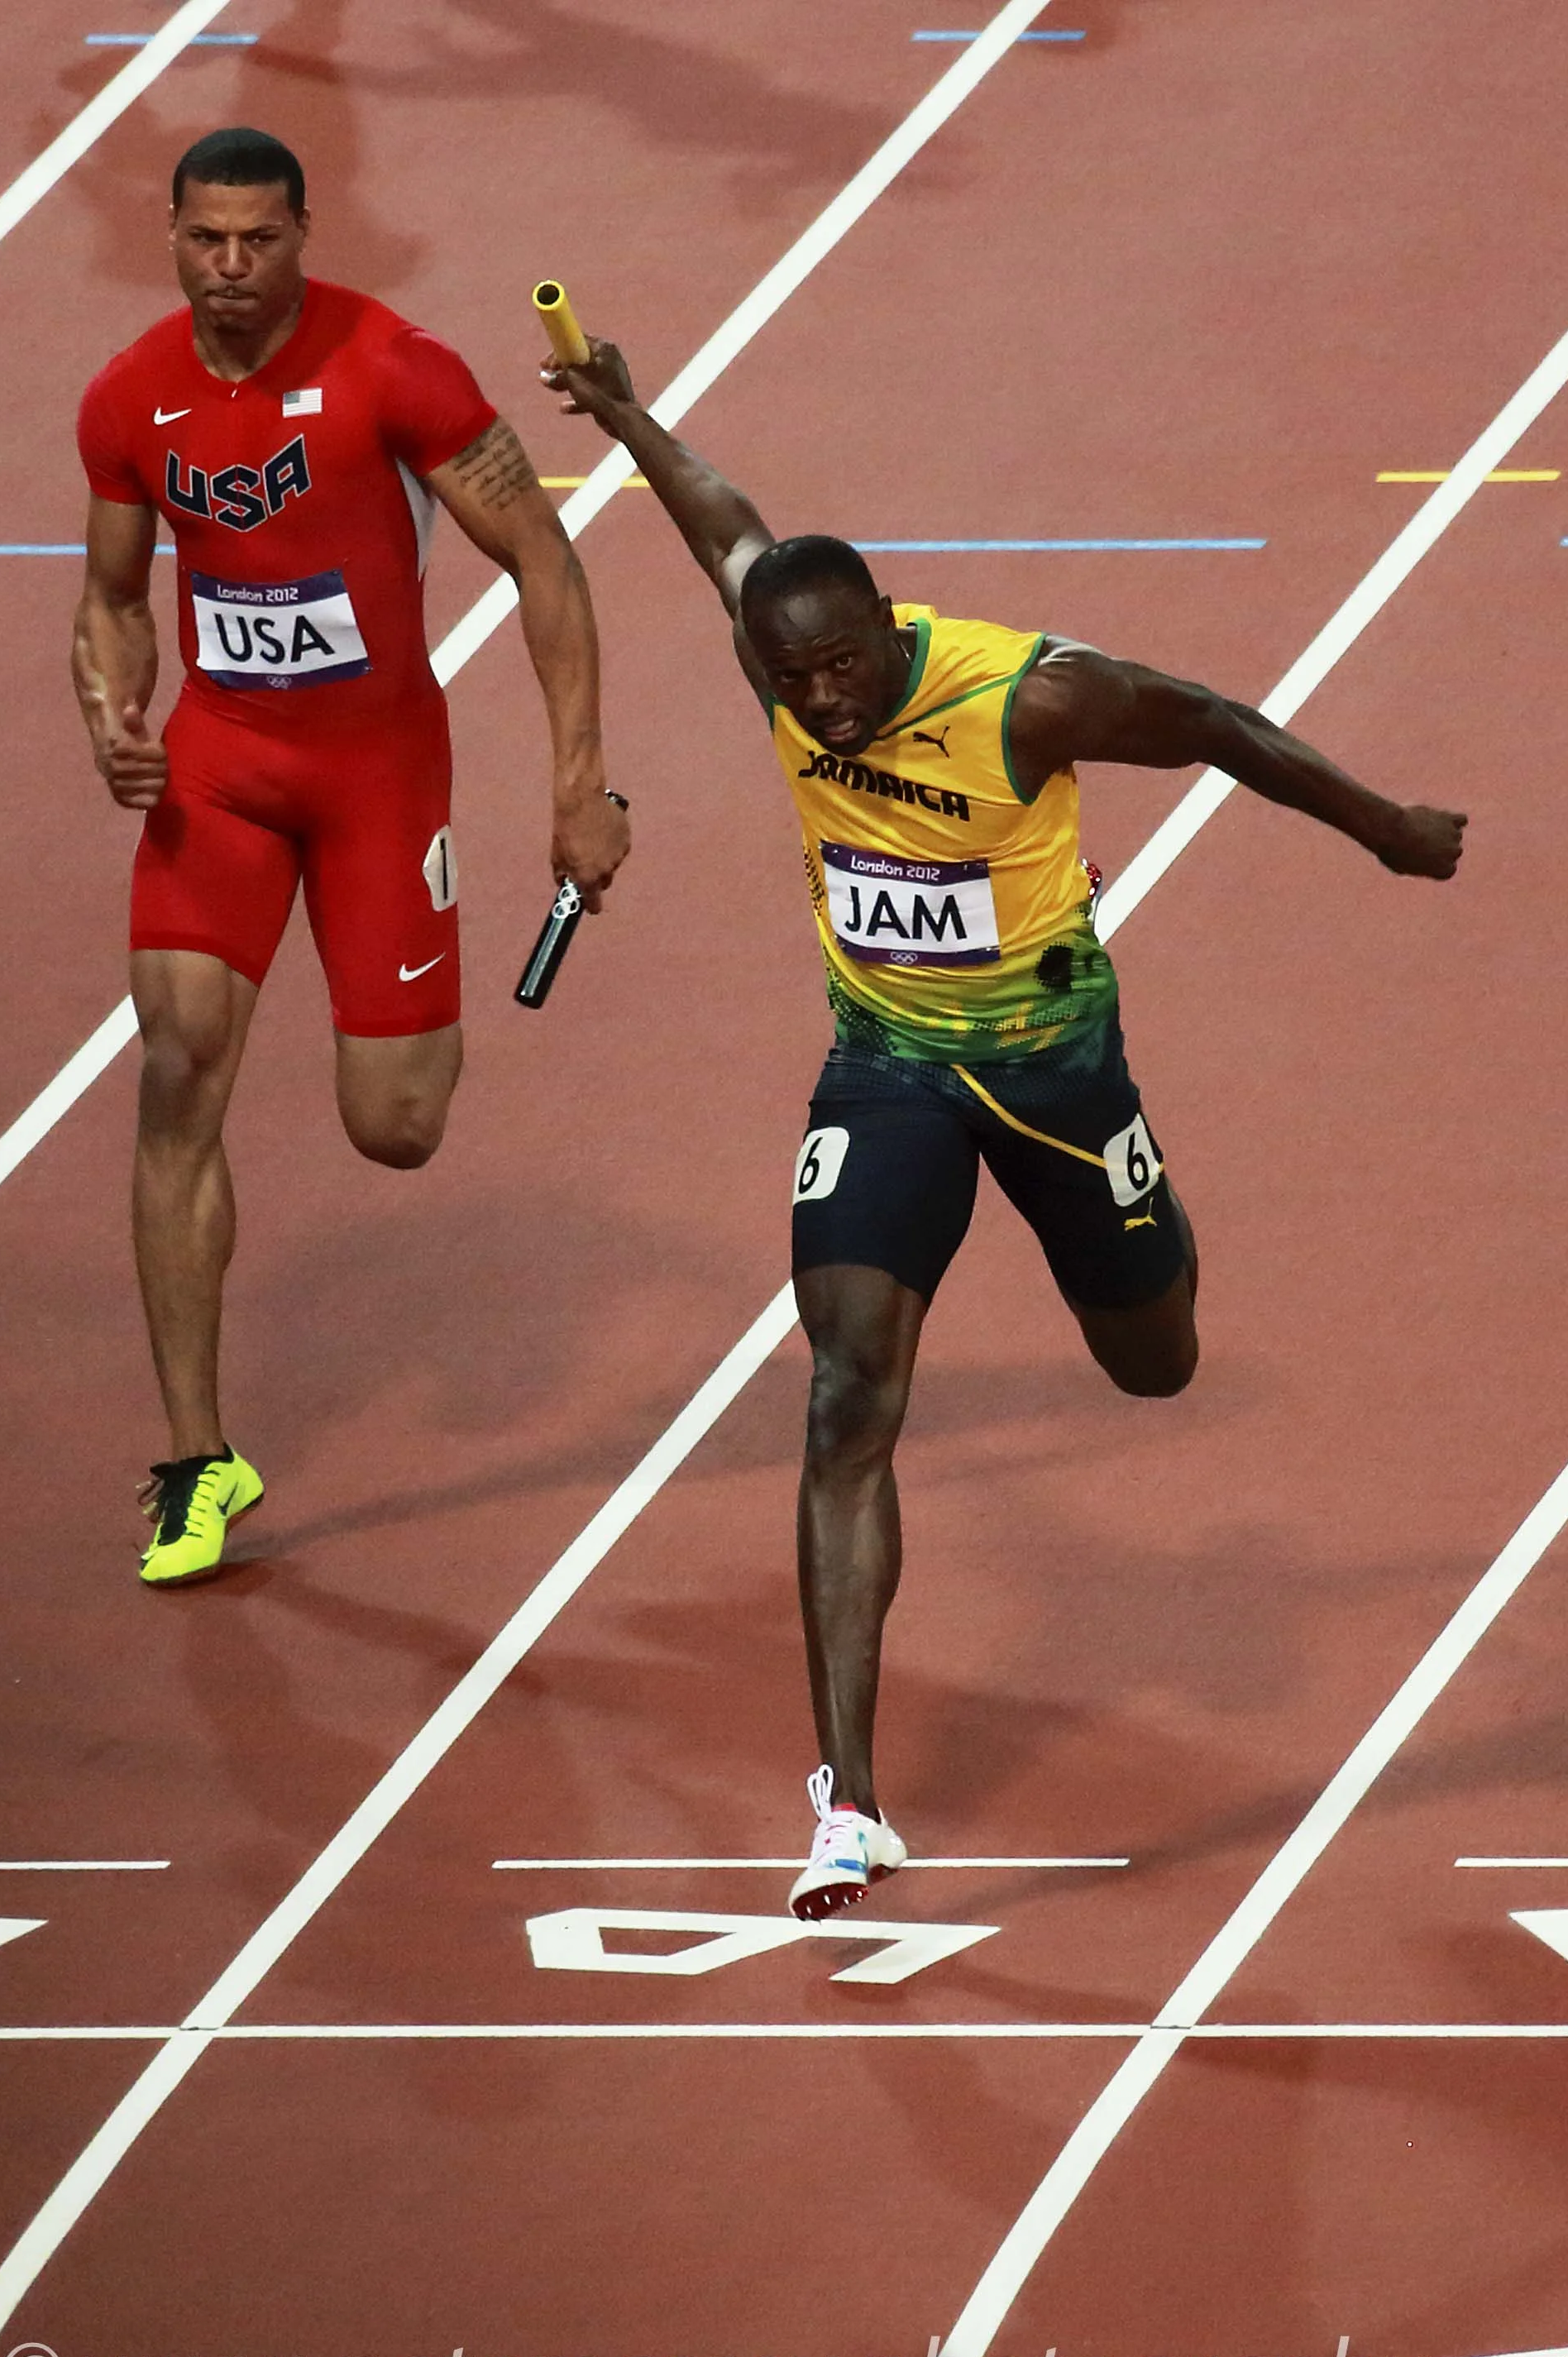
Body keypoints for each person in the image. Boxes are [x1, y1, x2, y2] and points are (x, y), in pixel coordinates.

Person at [545, 337, 1465, 1919]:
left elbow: (1217, 724)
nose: (816, 704)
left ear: (884, 632)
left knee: (1155, 1361)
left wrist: (1383, 828)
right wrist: (629, 414)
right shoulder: (776, 640)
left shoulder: (1028, 695)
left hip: (1056, 1077)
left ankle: (1146, 1221)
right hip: (886, 1065)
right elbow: (720, 521)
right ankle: (850, 1805)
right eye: (786, 680)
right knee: (844, 1396)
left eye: (837, 670)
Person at [74, 127, 629, 1585]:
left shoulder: (396, 367)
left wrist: (580, 785)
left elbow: (547, 564)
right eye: (208, 240)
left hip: (380, 774)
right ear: (173, 235)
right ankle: (198, 1458)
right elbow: (113, 599)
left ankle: (399, 1020)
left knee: (396, 1126)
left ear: (305, 234)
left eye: (262, 240)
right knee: (178, 1060)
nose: (234, 267)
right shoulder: (132, 398)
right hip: (223, 765)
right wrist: (109, 717)